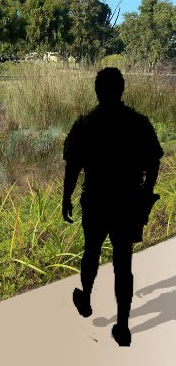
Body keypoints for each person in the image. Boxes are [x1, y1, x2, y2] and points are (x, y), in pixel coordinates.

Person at [62, 67, 163, 347]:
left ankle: (85, 296)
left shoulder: (84, 125)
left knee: (91, 252)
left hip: (95, 201)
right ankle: (122, 326)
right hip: (128, 203)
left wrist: (66, 198)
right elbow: (154, 160)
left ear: (97, 91)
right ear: (122, 90)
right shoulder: (139, 123)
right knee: (123, 264)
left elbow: (73, 167)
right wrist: (146, 190)